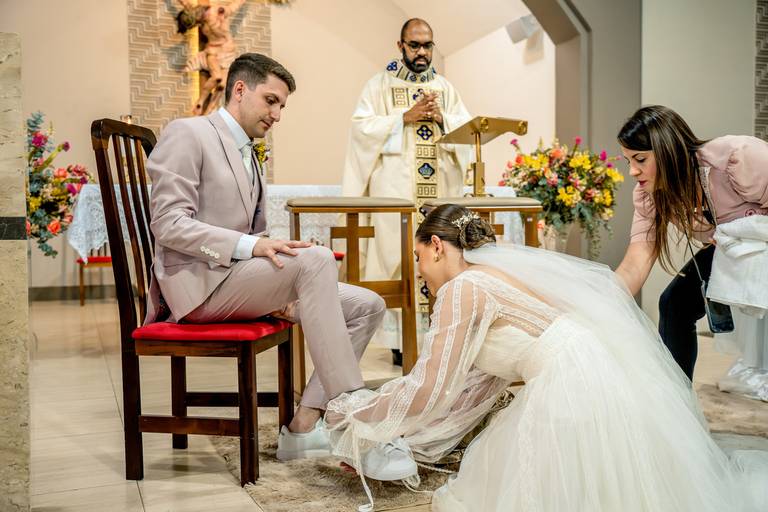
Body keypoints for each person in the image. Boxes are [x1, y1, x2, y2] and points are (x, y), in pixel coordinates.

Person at [326, 204, 767, 512]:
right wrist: (401, 436)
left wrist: (358, 415)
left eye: (419, 256)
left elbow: (429, 387)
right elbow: (472, 390)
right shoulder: (487, 279)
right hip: (594, 369)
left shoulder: (464, 288)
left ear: (437, 245)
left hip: (571, 383)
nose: (420, 270)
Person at [144, 52, 386, 460]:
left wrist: (275, 264)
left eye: (282, 106)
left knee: (368, 306)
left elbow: (253, 236)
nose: (277, 115)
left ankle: (304, 425)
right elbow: (168, 224)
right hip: (199, 287)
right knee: (316, 260)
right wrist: (254, 249)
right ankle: (352, 410)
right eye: (271, 100)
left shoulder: (250, 151)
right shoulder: (188, 133)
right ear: (240, 89)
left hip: (239, 282)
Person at [341, 18, 472, 361]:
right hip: (395, 195)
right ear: (400, 46)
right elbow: (360, 129)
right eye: (414, 45)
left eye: (427, 45)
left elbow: (468, 133)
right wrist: (403, 117)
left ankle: (440, 335)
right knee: (395, 258)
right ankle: (400, 341)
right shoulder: (379, 85)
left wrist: (443, 119)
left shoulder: (445, 89)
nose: (421, 52)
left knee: (441, 257)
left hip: (437, 194)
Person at [615, 105, 768, 380]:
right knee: (675, 304)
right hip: (729, 248)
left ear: (668, 150)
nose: (633, 172)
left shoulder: (737, 157)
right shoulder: (649, 195)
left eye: (640, 159)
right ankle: (677, 396)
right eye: (628, 161)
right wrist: (600, 302)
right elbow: (635, 262)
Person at [176, 0, 246, 115]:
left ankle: (208, 110)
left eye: (196, 23)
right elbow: (184, 2)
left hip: (227, 51)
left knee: (222, 85)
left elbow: (234, 6)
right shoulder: (198, 15)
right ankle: (200, 102)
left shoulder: (218, 12)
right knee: (217, 78)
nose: (198, 25)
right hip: (212, 51)